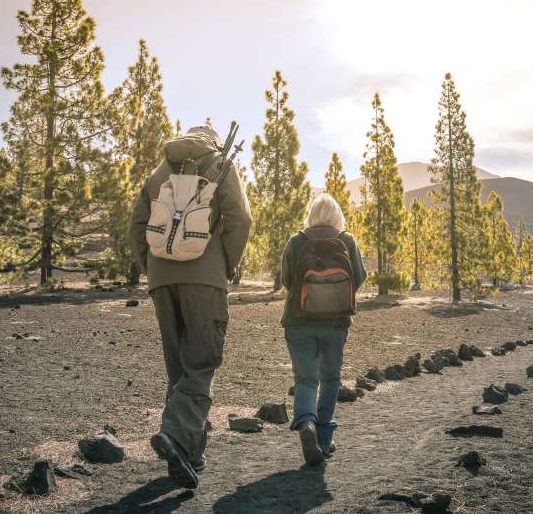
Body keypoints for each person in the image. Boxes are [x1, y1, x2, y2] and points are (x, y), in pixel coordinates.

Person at [127, 123, 252, 489]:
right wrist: (225, 263)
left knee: (180, 368)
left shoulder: (159, 171)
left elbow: (136, 227)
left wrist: (152, 267)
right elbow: (240, 219)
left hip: (163, 279)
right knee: (203, 362)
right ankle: (174, 432)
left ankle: (187, 455)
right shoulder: (221, 163)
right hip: (205, 277)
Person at [280, 193, 366, 465]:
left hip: (299, 322)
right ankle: (324, 437)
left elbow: (285, 280)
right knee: (330, 378)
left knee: (306, 378)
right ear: (337, 216)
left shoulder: (297, 240)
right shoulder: (347, 240)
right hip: (336, 323)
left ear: (311, 214)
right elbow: (360, 277)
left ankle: (306, 422)